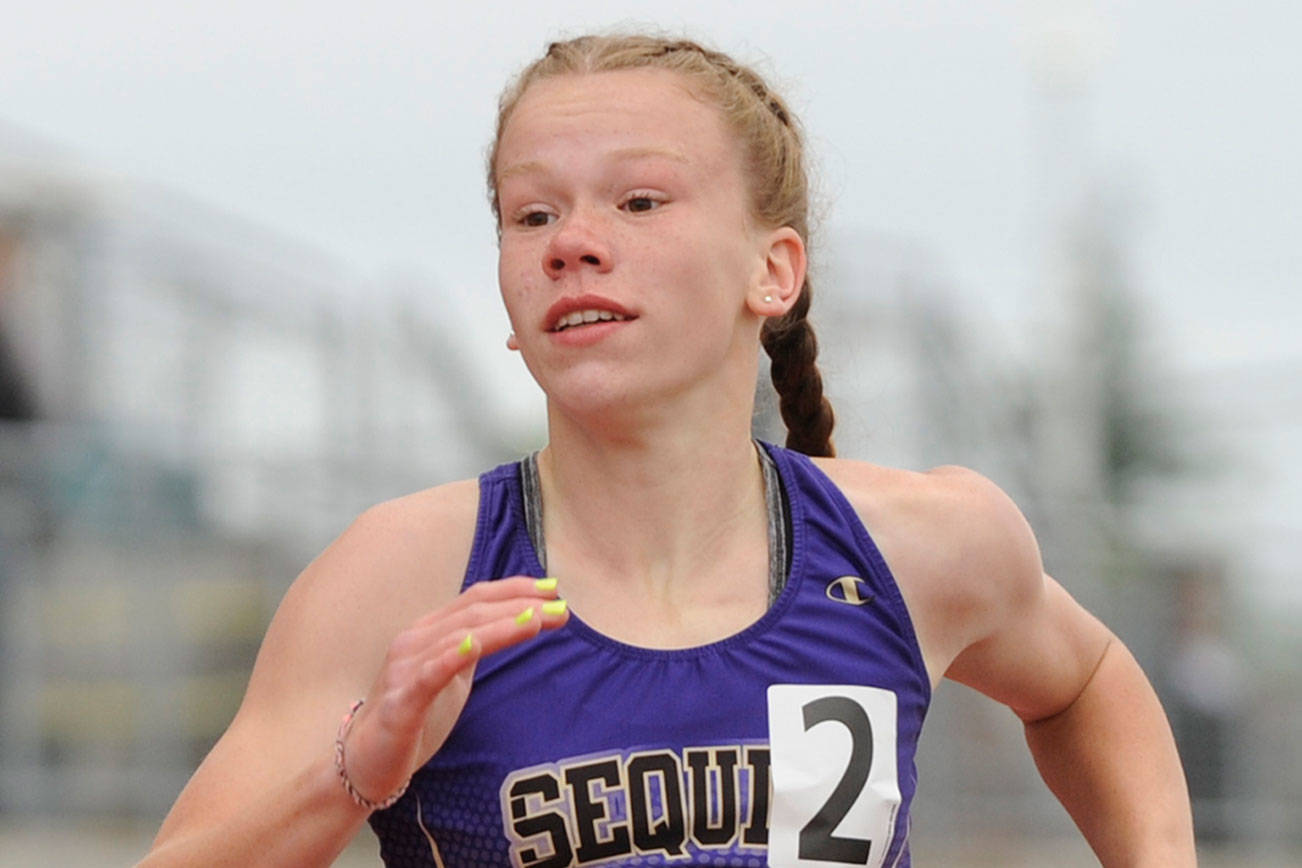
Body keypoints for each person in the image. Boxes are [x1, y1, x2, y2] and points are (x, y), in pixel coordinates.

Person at [140, 34, 1195, 868]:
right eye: (532, 212)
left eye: (638, 201)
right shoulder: (405, 575)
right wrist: (356, 770)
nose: (571, 241)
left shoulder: (921, 543)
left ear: (773, 272)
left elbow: (1086, 679)